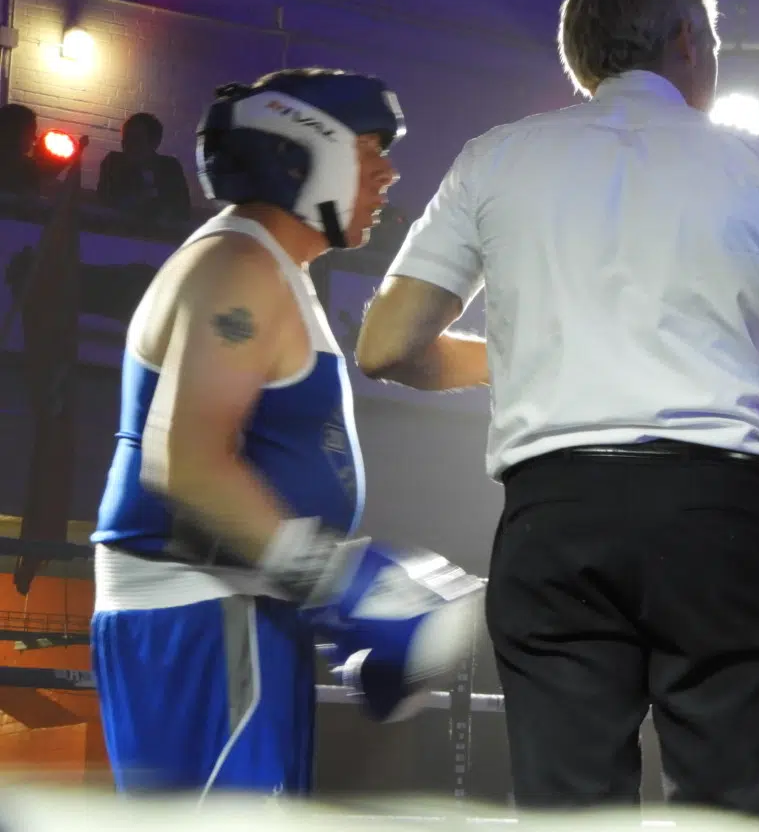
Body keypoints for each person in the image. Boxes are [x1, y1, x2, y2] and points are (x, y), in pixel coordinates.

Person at [355, 0, 759, 820]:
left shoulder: (496, 160)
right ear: (685, 39)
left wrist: (526, 358)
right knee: (734, 815)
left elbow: (385, 346)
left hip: (554, 519)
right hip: (716, 520)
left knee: (571, 817)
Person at [90, 68, 482, 797]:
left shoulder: (268, 268)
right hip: (200, 616)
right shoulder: (238, 267)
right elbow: (187, 463)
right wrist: (343, 583)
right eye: (370, 150)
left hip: (235, 612)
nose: (389, 174)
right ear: (305, 153)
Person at [97, 112, 192, 221]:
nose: (129, 144)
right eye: (126, 137)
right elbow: (105, 200)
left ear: (154, 143)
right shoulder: (113, 162)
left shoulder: (170, 168)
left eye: (137, 139)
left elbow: (182, 211)